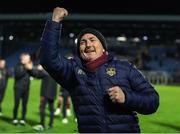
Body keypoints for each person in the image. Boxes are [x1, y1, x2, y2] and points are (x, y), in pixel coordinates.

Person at [40, 7, 159, 133]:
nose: (88, 45)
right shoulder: (73, 71)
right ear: (79, 51)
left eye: (92, 40)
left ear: (103, 48)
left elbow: (152, 101)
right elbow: (48, 60)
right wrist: (54, 22)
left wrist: (127, 97)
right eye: (83, 42)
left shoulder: (124, 67)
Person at [32, 65, 57, 131]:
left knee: (42, 108)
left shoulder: (45, 72)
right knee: (51, 110)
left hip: (45, 93)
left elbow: (37, 76)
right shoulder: (55, 72)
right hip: (53, 94)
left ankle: (42, 125)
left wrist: (40, 69)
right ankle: (50, 124)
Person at [12, 53, 34, 125]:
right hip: (18, 88)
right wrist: (25, 67)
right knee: (17, 104)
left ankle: (22, 119)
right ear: (23, 58)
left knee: (24, 105)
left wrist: (31, 69)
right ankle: (15, 118)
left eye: (29, 58)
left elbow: (34, 74)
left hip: (26, 88)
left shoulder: (28, 66)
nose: (29, 59)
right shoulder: (17, 65)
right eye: (27, 58)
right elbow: (18, 75)